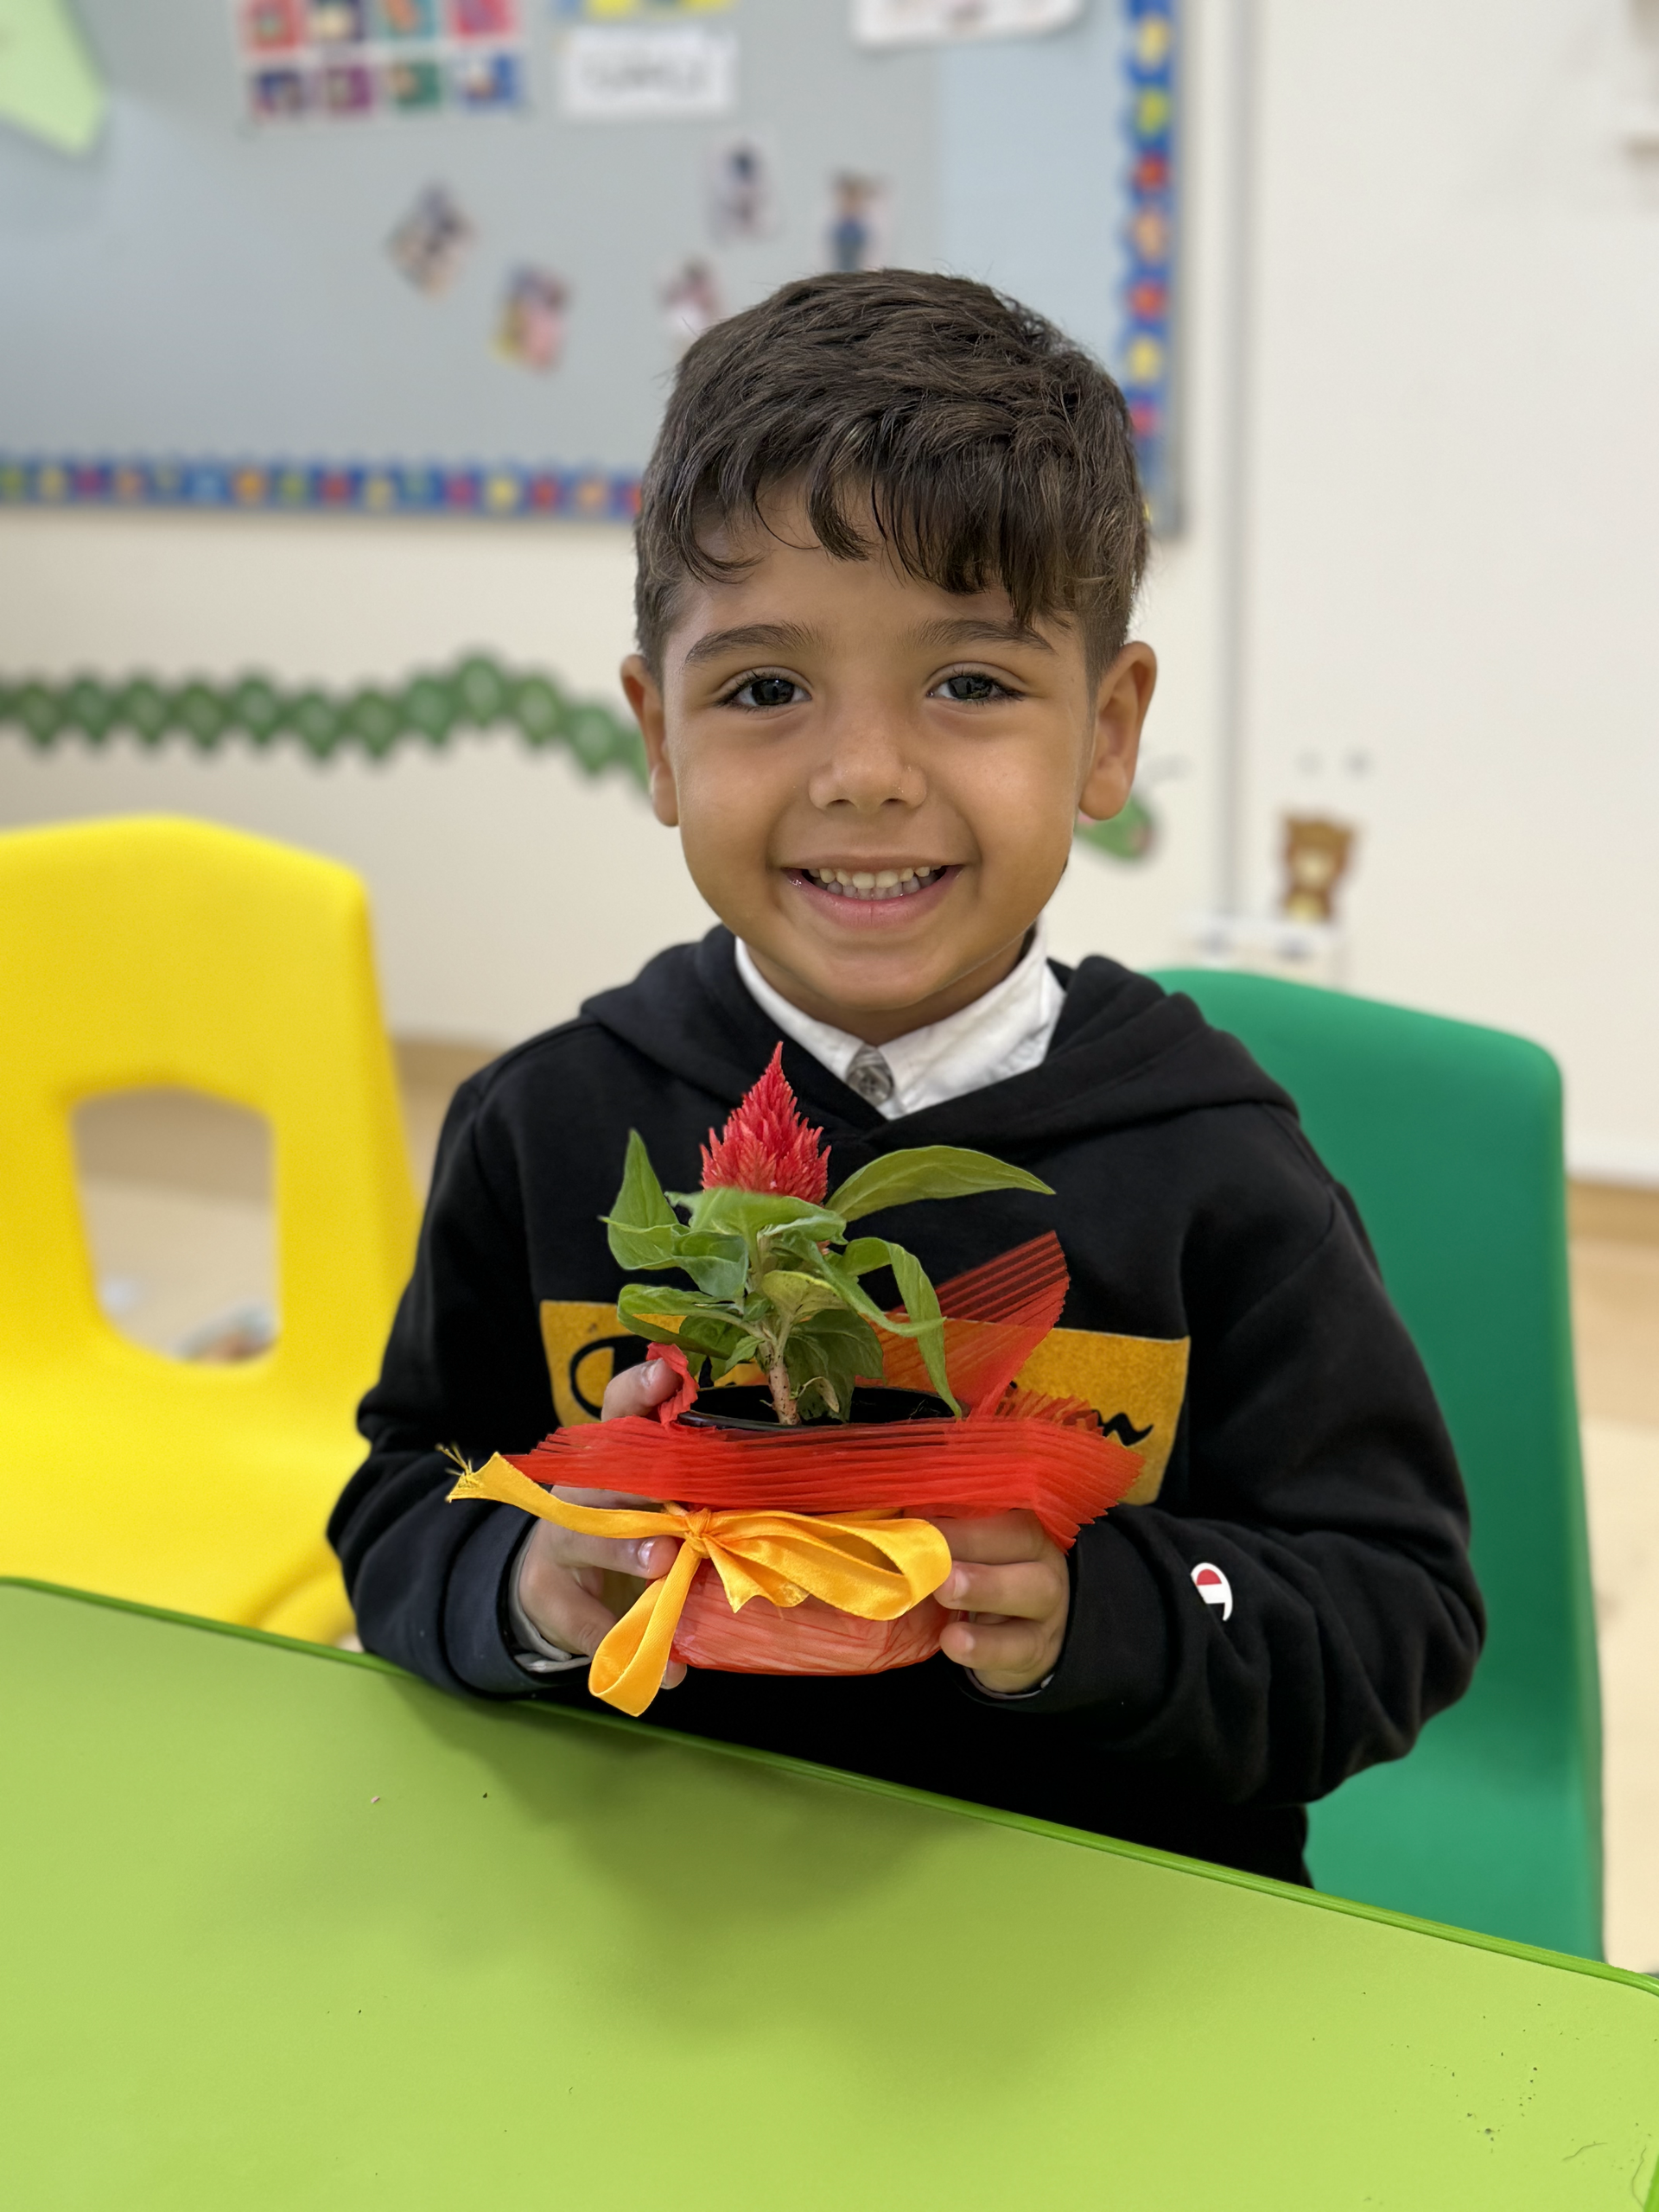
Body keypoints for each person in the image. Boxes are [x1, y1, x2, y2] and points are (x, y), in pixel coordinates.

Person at [330, 270, 1483, 1886]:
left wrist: (1106, 1613)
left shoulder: (1220, 1173)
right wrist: (528, 1585)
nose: (865, 775)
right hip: (655, 1913)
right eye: (764, 688)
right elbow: (400, 1505)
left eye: (970, 683)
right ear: (659, 738)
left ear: (1106, 728)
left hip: (1095, 1922)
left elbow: (1391, 1612)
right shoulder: (548, 1125)